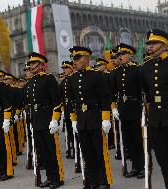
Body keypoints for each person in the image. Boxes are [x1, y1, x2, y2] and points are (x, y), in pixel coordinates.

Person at [141, 29, 168, 189]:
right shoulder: (146, 67)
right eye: (150, 44)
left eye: (154, 43)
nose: (150, 47)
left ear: (164, 45)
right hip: (155, 120)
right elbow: (146, 93)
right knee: (163, 159)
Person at [68, 46, 113, 189]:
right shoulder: (73, 78)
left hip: (95, 116)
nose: (74, 62)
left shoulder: (97, 75)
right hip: (82, 119)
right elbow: (71, 100)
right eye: (73, 59)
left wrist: (106, 117)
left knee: (100, 152)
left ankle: (104, 181)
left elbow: (106, 97)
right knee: (87, 153)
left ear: (86, 59)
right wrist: (74, 119)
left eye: (77, 58)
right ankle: (92, 181)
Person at [24, 52, 64, 189]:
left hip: (47, 118)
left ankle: (57, 178)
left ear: (41, 65)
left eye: (33, 64)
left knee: (52, 151)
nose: (30, 66)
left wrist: (55, 120)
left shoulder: (49, 79)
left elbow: (57, 101)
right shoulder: (31, 82)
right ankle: (49, 177)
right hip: (37, 120)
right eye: (30, 64)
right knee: (43, 152)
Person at [111, 43, 145, 179]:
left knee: (138, 139)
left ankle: (142, 166)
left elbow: (143, 90)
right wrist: (114, 107)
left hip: (135, 106)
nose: (120, 57)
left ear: (130, 55)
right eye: (118, 55)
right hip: (123, 108)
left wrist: (144, 107)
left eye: (122, 55)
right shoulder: (116, 72)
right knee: (128, 139)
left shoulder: (137, 70)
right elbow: (113, 92)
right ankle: (135, 167)